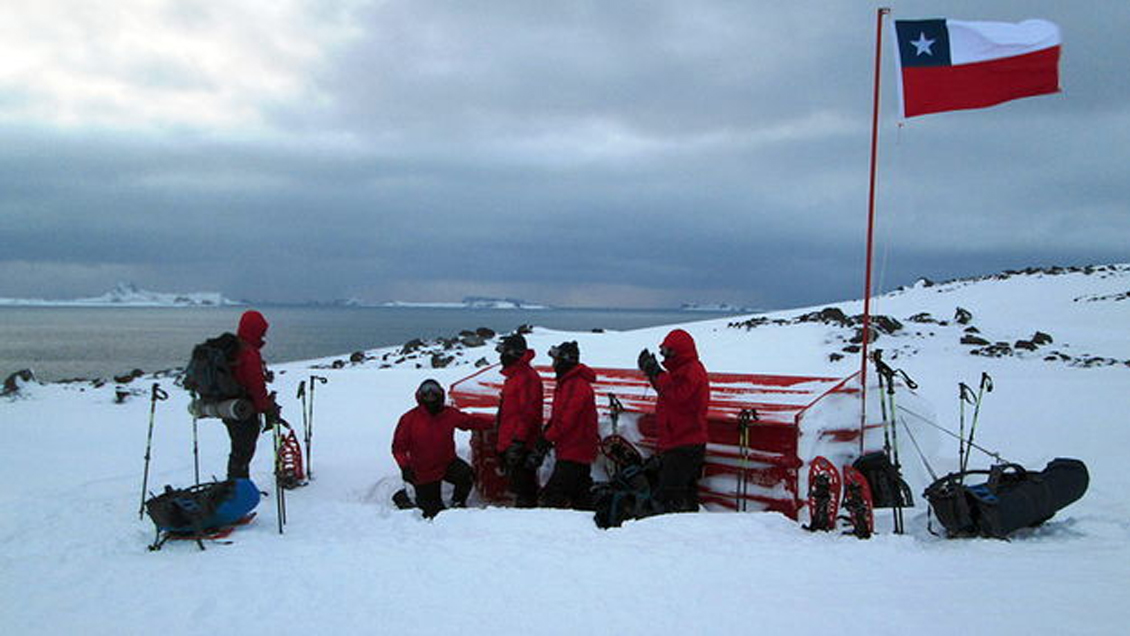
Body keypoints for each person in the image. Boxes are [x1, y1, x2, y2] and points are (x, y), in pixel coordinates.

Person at [392, 379, 492, 518]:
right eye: (426, 394)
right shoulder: (409, 419)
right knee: (433, 514)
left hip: (447, 463)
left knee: (466, 475)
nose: (431, 397)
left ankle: (457, 503)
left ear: (441, 394)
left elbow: (470, 421)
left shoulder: (449, 414)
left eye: (434, 393)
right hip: (423, 471)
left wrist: (497, 422)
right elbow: (398, 448)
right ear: (420, 396)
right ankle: (404, 497)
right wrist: (405, 467)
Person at [637, 328, 710, 513]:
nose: (665, 356)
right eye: (663, 351)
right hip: (678, 442)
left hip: (685, 445)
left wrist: (656, 373)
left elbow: (677, 394)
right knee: (682, 497)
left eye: (667, 351)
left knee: (668, 499)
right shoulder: (680, 371)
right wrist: (653, 373)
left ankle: (670, 528)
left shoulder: (692, 371)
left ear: (679, 352)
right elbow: (668, 389)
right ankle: (688, 524)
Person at [534, 341, 599, 510]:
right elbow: (560, 417)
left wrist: (546, 439)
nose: (553, 365)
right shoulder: (567, 383)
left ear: (565, 361)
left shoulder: (576, 386)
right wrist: (547, 431)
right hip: (573, 449)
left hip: (575, 450)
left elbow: (566, 420)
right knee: (580, 498)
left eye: (556, 360)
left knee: (553, 497)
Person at [226, 309, 281, 480]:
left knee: (239, 450)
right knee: (243, 451)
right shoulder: (249, 352)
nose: (263, 335)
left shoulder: (233, 348)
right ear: (254, 330)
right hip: (244, 410)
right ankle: (237, 487)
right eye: (261, 331)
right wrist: (266, 406)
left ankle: (238, 485)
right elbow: (256, 385)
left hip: (229, 407)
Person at [495, 333, 544, 508]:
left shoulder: (526, 377)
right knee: (517, 485)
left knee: (525, 488)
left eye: (503, 351)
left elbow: (528, 413)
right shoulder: (514, 376)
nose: (501, 356)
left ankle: (527, 516)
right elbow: (508, 412)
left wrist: (518, 442)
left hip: (521, 444)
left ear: (512, 353)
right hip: (511, 440)